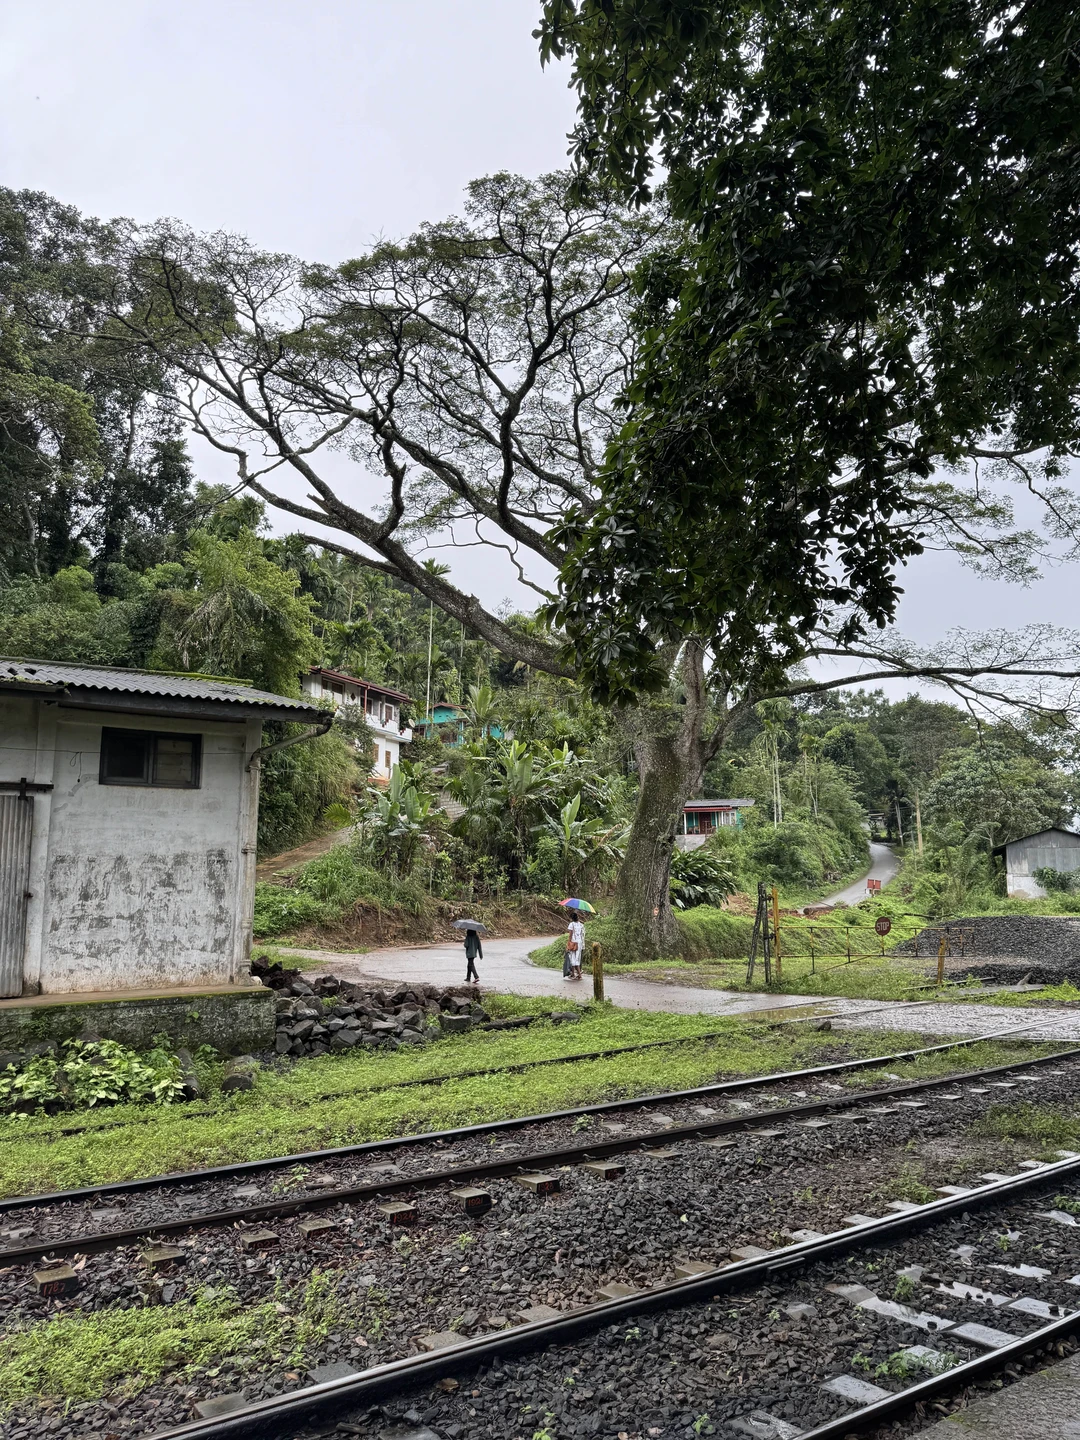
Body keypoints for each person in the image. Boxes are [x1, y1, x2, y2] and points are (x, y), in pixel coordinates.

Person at [565, 913, 586, 981]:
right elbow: (583, 935)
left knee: (572, 957)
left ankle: (575, 974)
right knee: (577, 958)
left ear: (572, 918)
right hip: (579, 943)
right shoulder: (581, 925)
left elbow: (570, 935)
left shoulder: (571, 924)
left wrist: (568, 943)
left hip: (573, 943)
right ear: (578, 917)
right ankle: (576, 974)